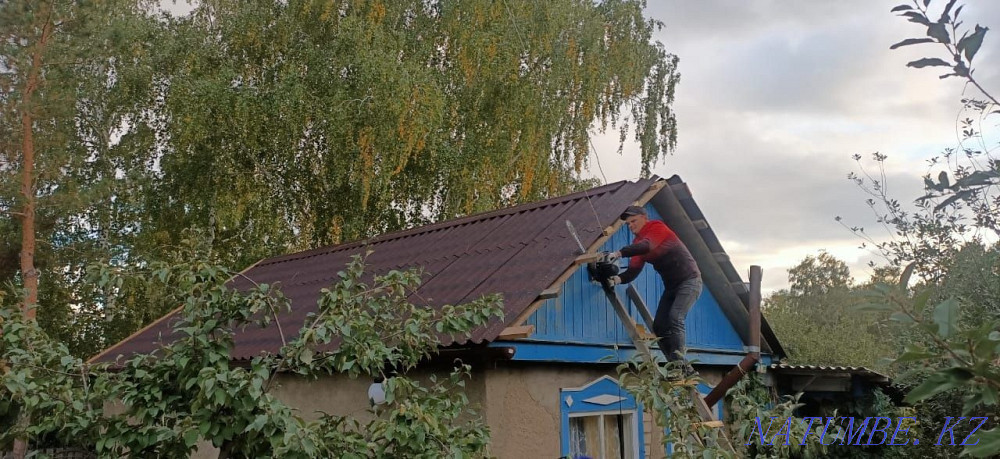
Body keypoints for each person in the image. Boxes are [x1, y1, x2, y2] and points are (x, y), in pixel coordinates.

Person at [603, 205, 702, 373]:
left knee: (675, 317)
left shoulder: (657, 227)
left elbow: (647, 246)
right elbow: (633, 271)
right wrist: (616, 280)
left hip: (689, 281)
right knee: (660, 326)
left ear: (644, 218)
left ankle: (679, 365)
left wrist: (618, 253)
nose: (631, 226)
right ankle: (680, 367)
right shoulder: (637, 244)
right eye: (628, 224)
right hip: (671, 287)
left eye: (633, 221)